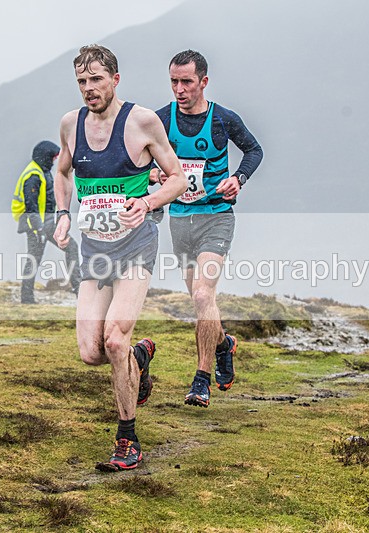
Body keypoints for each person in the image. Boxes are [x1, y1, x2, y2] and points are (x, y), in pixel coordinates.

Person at [53, 45, 186, 471]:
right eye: (81, 82)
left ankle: (127, 438)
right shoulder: (70, 125)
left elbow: (179, 179)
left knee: (114, 340)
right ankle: (140, 358)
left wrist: (146, 203)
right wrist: (61, 215)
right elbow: (61, 171)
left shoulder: (142, 122)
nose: (89, 89)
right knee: (91, 352)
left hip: (135, 246)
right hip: (94, 249)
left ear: (115, 79)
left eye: (96, 80)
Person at [151, 50, 264, 408]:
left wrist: (238, 178)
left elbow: (254, 149)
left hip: (216, 216)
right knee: (200, 299)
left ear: (203, 81)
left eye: (186, 81)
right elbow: (139, 160)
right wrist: (152, 175)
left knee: (203, 295)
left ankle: (201, 380)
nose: (179, 89)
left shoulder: (222, 120)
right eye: (173, 81)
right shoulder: (159, 119)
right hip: (180, 220)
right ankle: (223, 343)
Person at [15, 140, 81, 304]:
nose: (54, 161)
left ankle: (79, 290)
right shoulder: (33, 175)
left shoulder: (42, 171)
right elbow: (31, 206)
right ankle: (27, 297)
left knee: (70, 247)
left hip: (47, 223)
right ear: (45, 157)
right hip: (36, 225)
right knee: (34, 258)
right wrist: (38, 230)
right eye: (52, 158)